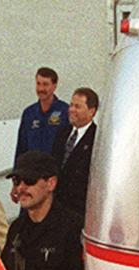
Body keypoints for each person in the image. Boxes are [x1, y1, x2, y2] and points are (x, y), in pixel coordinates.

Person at [50, 87, 98, 217]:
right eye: (71, 105)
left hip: (78, 211)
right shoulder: (62, 133)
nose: (71, 110)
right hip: (55, 207)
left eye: (77, 106)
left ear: (91, 111)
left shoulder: (97, 139)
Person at [15, 66, 68, 158]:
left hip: (54, 170)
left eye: (45, 84)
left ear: (54, 86)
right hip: (32, 169)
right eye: (38, 84)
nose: (41, 89)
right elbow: (21, 148)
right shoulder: (29, 113)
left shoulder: (65, 112)